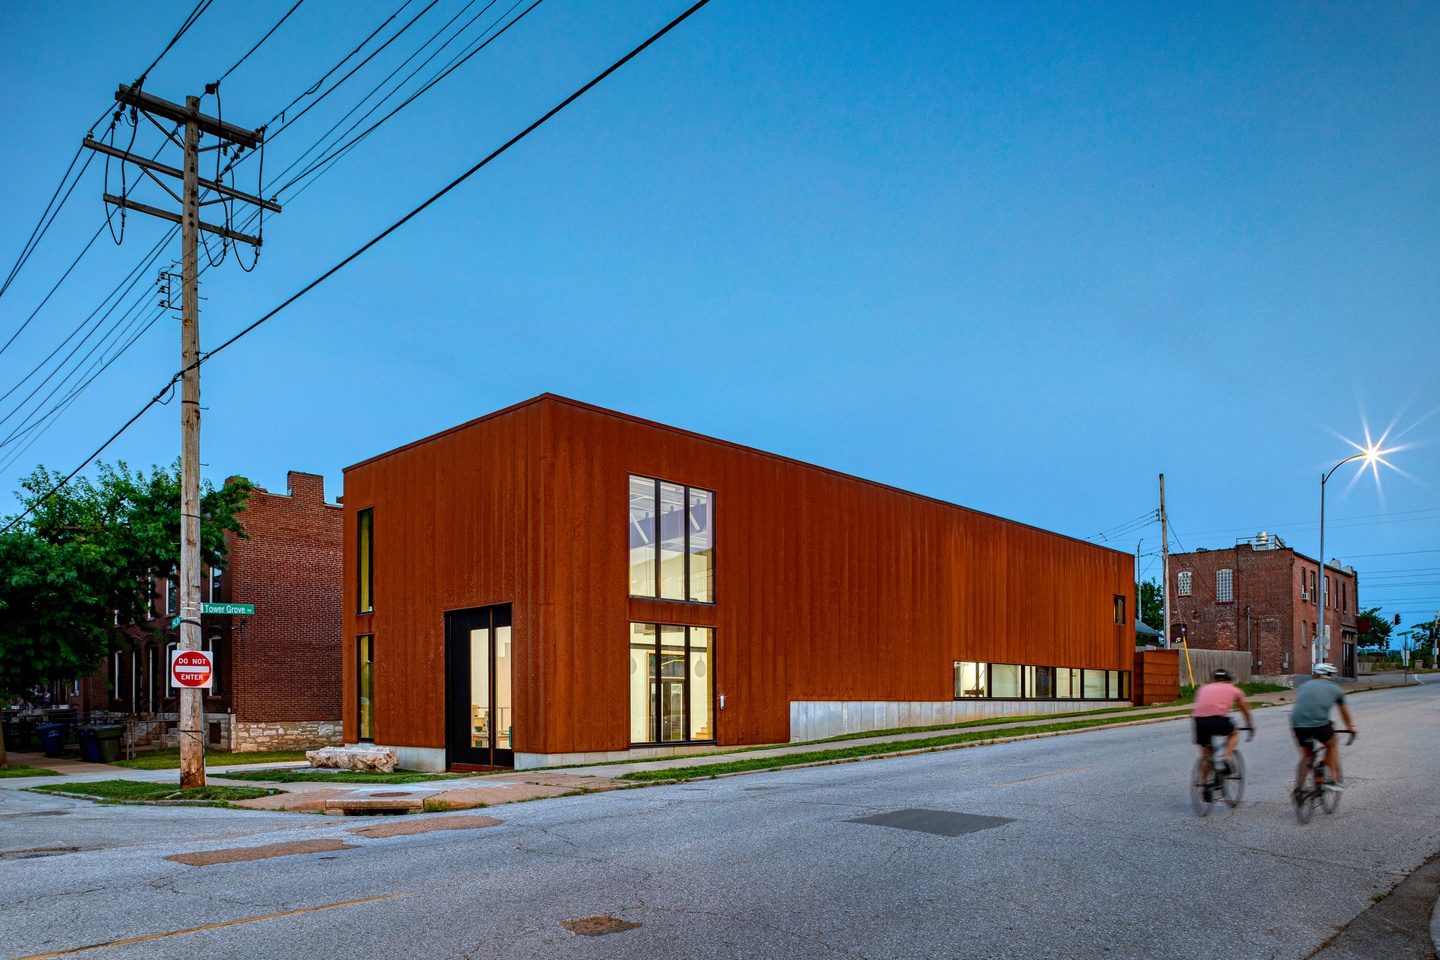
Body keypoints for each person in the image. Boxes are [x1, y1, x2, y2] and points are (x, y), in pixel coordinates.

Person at [1291, 662, 1356, 793]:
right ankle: (1332, 780)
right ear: (1330, 675)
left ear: (1317, 674)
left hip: (1297, 724)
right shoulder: (1335, 689)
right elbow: (1344, 712)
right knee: (1331, 744)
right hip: (1319, 724)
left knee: (1306, 756)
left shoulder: (1303, 686)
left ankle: (1299, 788)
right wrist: (1351, 726)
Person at [1191, 668, 1254, 786]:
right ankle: (1226, 758)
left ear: (1214, 680)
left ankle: (1205, 784)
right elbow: (1244, 708)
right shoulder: (1233, 689)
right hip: (1218, 719)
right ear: (1229, 680)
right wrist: (1250, 724)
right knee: (1234, 733)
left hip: (1199, 721)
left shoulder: (1203, 688)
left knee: (1206, 754)